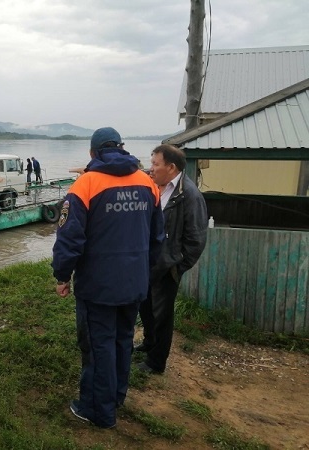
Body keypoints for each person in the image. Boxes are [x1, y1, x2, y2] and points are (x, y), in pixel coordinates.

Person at [52, 127, 164, 429]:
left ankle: (97, 411)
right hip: (134, 284)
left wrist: (62, 275)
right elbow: (157, 238)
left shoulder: (85, 184)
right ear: (122, 147)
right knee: (122, 341)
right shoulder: (147, 183)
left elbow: (69, 239)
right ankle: (115, 397)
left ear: (93, 153)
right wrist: (144, 272)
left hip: (98, 286)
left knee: (98, 345)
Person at [136, 144, 208, 374]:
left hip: (167, 267)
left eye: (155, 164)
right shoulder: (156, 186)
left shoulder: (189, 195)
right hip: (149, 263)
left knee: (162, 315)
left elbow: (196, 239)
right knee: (146, 307)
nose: (151, 168)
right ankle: (149, 343)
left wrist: (176, 266)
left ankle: (156, 362)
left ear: (171, 167)